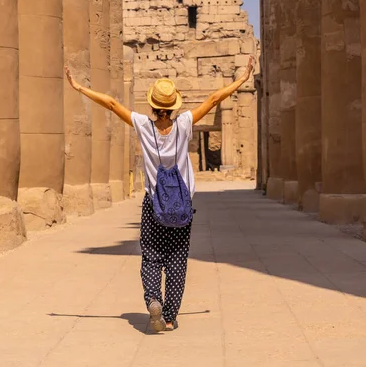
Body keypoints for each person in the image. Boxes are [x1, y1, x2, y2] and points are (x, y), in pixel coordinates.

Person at [65, 55, 254, 332]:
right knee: (177, 258)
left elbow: (111, 103)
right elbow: (214, 99)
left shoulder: (143, 125)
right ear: (173, 106)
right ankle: (169, 316)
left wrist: (80, 87)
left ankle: (154, 298)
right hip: (182, 205)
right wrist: (242, 79)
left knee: (152, 255)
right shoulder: (185, 123)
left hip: (154, 204)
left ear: (153, 107)